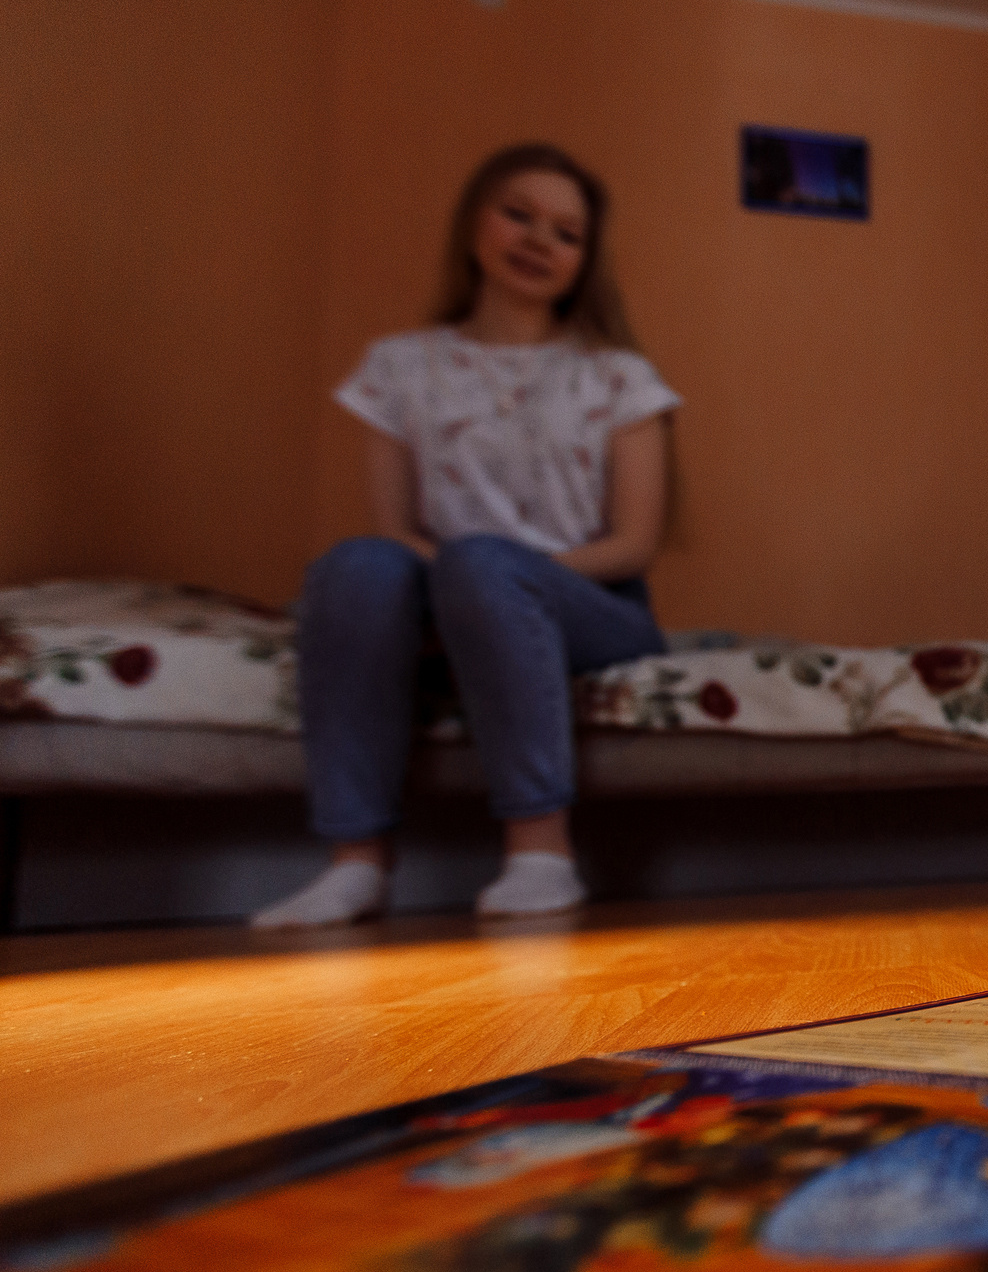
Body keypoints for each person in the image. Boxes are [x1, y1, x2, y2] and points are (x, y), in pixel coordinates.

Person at [252, 143, 678, 927]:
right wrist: (472, 583)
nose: (538, 240)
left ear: (584, 261)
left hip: (591, 604)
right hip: (445, 591)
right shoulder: (398, 366)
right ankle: (355, 863)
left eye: (566, 233)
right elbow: (396, 530)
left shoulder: (619, 376)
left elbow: (633, 544)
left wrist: (501, 580)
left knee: (484, 565)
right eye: (519, 215)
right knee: (355, 564)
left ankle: (541, 853)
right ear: (475, 223)